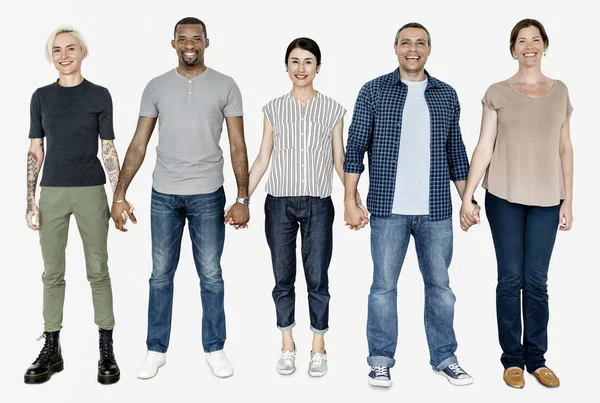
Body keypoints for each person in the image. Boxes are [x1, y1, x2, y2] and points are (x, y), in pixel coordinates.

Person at [110, 17, 250, 380]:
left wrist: (243, 198)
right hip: (164, 195)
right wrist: (120, 194)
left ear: (206, 42)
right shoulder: (156, 86)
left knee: (211, 275)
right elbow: (139, 143)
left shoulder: (226, 85)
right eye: (183, 39)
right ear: (173, 43)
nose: (190, 44)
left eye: (196, 38)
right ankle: (156, 350)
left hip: (208, 194)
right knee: (160, 276)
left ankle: (215, 348)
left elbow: (237, 145)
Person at [344, 22, 476, 387]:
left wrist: (467, 200)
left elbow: (456, 153)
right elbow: (354, 147)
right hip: (387, 209)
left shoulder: (446, 95)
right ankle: (381, 359)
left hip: (436, 210)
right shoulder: (373, 91)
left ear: (429, 50)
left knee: (441, 289)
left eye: (420, 43)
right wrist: (349, 199)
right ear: (395, 48)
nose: (412, 49)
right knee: (383, 288)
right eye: (406, 43)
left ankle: (445, 357)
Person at [239, 37, 367, 377]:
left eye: (308, 62)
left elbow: (340, 159)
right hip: (278, 204)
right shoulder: (273, 108)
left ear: (318, 67)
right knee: (283, 277)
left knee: (317, 277)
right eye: (294, 62)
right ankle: (286, 344)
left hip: (319, 204)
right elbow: (263, 158)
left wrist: (353, 199)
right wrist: (242, 198)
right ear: (286, 67)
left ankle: (318, 347)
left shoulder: (334, 109)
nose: (301, 68)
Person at [459, 18, 573, 389]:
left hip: (547, 199)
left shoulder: (560, 92)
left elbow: (565, 148)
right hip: (504, 197)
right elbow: (483, 146)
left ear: (544, 46)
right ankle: (512, 361)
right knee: (510, 279)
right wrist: (467, 196)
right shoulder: (497, 92)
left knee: (536, 281)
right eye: (521, 40)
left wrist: (568, 200)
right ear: (513, 49)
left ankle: (537, 359)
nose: (529, 45)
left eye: (535, 39)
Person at [24, 25, 124, 385]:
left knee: (98, 269)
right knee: (52, 272)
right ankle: (52, 346)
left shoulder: (100, 95)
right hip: (52, 192)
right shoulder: (41, 97)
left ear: (83, 52)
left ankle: (106, 347)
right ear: (51, 57)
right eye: (57, 51)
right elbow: (37, 148)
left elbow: (108, 149)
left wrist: (119, 195)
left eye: (70, 49)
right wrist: (29, 198)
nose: (64, 56)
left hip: (90, 190)